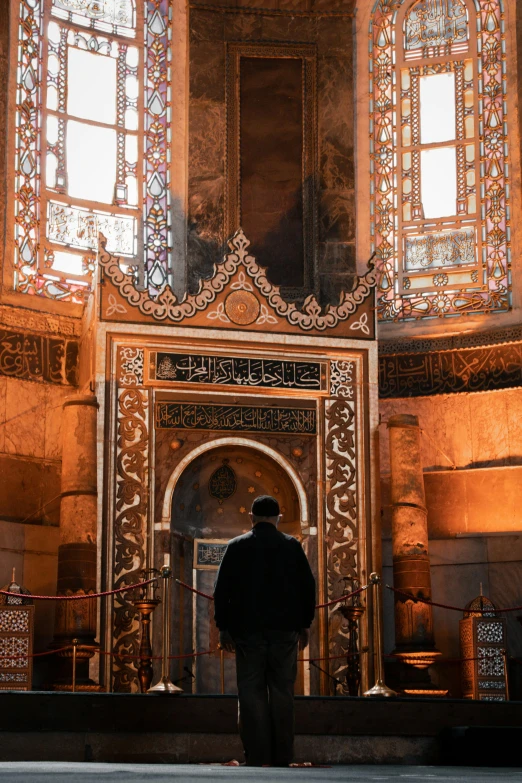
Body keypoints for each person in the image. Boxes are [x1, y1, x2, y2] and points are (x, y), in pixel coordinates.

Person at [214, 494, 316, 767]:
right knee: (283, 692)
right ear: (278, 518)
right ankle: (283, 756)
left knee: (251, 693)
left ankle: (257, 755)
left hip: (248, 633)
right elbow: (308, 588)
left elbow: (221, 591)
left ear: (251, 517)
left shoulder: (236, 547)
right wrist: (305, 625)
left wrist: (223, 628)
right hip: (285, 633)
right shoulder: (292, 546)